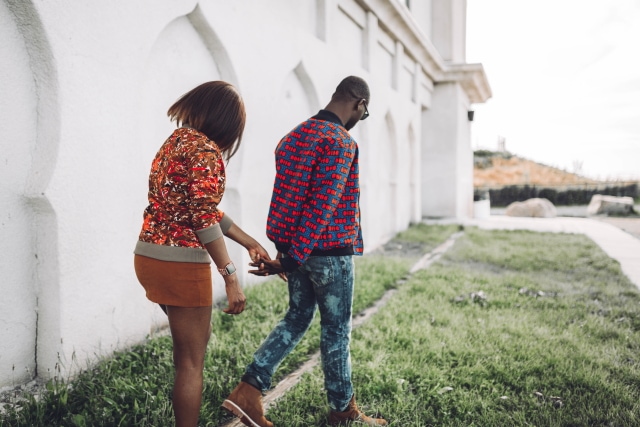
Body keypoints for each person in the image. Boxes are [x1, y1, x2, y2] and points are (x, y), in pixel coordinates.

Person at [221, 76, 387, 426]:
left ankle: (248, 391)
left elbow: (284, 200)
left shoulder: (291, 137)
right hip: (328, 254)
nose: (361, 118)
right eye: (364, 112)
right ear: (358, 103)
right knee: (336, 331)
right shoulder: (339, 141)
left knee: (297, 317)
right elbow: (321, 206)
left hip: (296, 249)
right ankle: (343, 412)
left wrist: (287, 251)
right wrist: (292, 256)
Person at [133, 81, 271, 427]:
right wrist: (231, 275)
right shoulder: (207, 152)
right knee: (191, 362)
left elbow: (199, 207)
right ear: (228, 124)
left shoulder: (175, 142)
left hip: (149, 257)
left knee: (191, 346)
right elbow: (202, 217)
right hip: (179, 264)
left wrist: (247, 240)